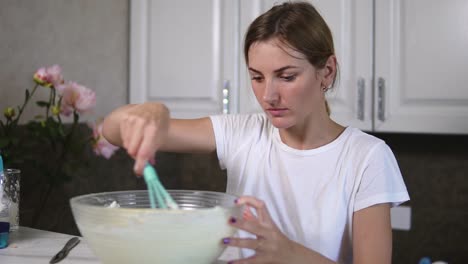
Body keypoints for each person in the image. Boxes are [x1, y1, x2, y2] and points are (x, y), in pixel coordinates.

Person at [102, 1, 409, 263]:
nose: (268, 96)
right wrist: (154, 113)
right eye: (257, 77)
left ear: (326, 71)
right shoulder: (242, 133)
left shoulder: (366, 156)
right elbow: (112, 130)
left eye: (286, 76)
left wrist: (289, 254)